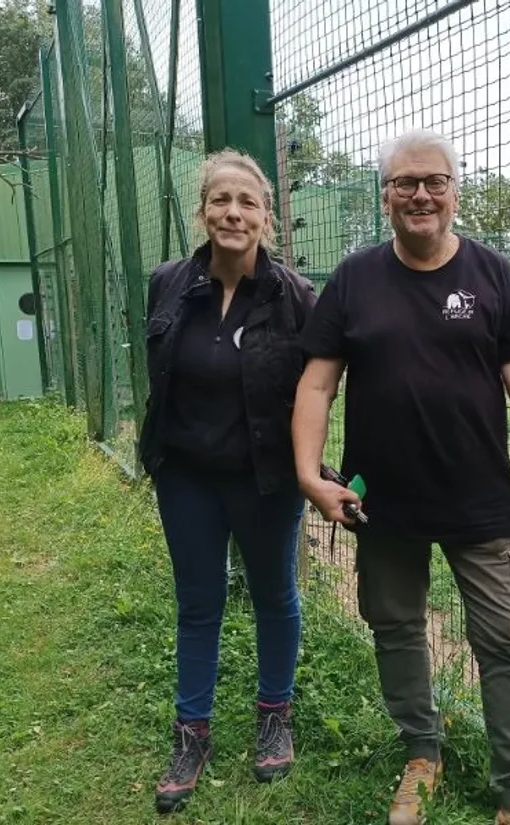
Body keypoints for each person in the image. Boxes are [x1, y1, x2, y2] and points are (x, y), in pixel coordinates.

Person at [292, 129, 510, 825]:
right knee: (395, 627)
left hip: (480, 501)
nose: (419, 194)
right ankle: (421, 754)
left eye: (434, 181)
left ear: (455, 192)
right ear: (385, 195)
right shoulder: (353, 280)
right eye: (404, 182)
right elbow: (316, 385)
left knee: (507, 641)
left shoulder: (492, 276)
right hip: (383, 502)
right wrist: (309, 475)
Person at [137, 148, 318, 814]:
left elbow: (317, 391)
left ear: (266, 216)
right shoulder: (167, 282)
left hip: (265, 479)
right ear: (203, 210)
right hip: (185, 475)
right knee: (198, 602)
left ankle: (274, 717)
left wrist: (314, 468)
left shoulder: (295, 297)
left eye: (247, 202)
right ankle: (192, 734)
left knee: (275, 595)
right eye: (221, 200)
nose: (233, 213)